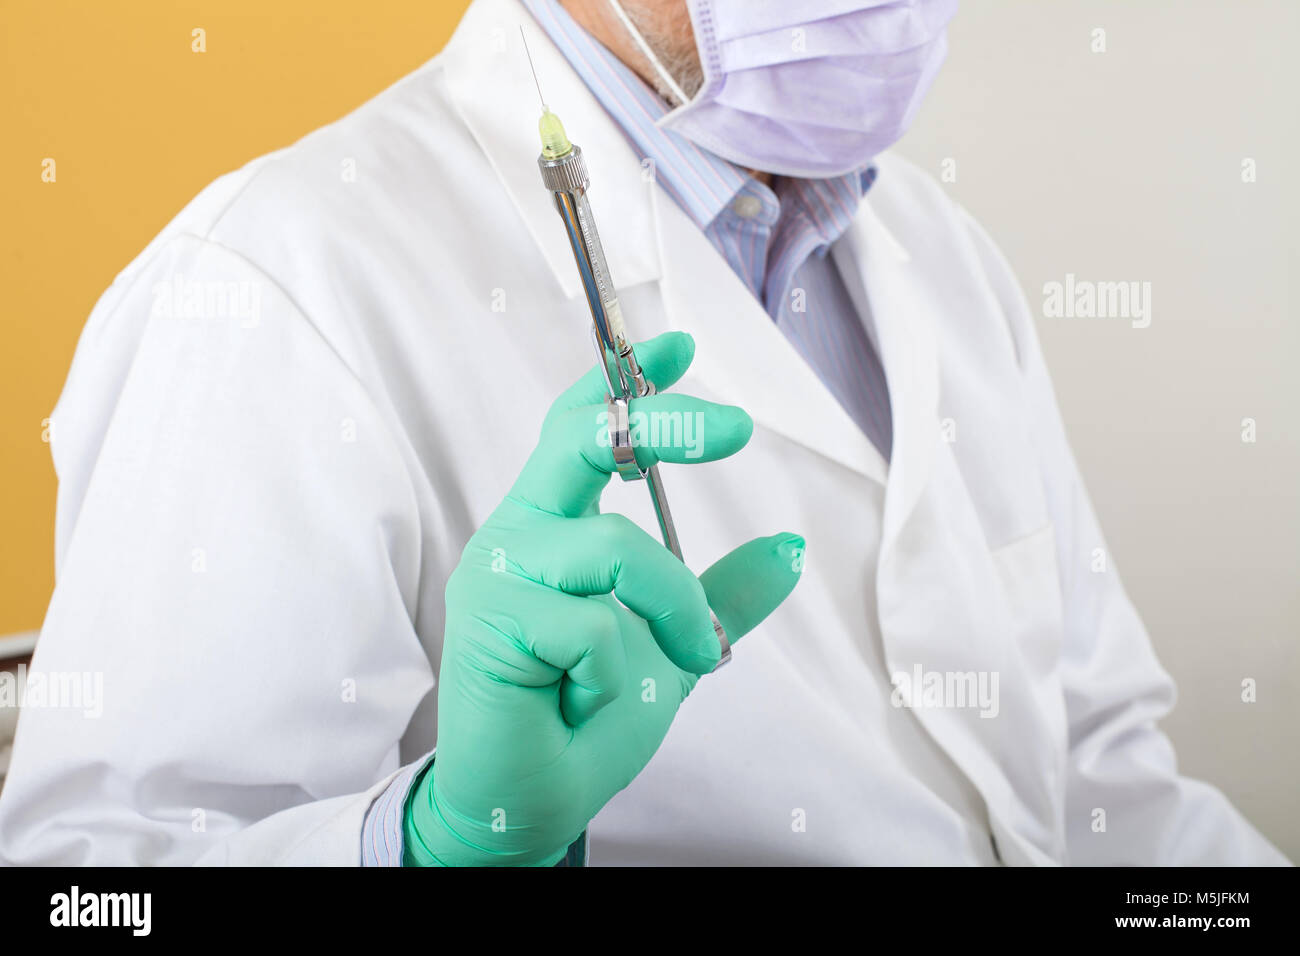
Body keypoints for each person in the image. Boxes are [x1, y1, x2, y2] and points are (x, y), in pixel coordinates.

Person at [0, 0, 1286, 866]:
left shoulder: (942, 260)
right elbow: (91, 883)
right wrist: (434, 840)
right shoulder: (285, 277)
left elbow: (1109, 786)